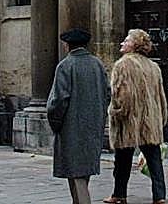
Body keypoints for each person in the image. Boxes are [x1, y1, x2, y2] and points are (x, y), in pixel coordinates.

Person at [103, 28, 168, 204]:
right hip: (149, 119)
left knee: (122, 159)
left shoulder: (122, 65)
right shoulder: (153, 66)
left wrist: (115, 112)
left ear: (135, 45)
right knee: (154, 160)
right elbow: (160, 95)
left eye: (127, 40)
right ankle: (159, 195)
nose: (122, 43)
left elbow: (120, 95)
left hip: (129, 120)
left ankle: (119, 194)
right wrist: (161, 117)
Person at [47, 27, 111, 204]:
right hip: (93, 126)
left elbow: (57, 101)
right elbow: (107, 93)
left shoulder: (66, 65)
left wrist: (55, 123)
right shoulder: (97, 64)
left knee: (77, 175)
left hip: (71, 128)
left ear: (67, 46)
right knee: (81, 172)